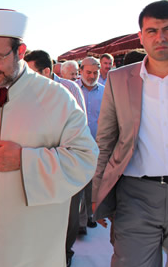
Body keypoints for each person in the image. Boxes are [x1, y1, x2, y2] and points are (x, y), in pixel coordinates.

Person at [0, 9, 98, 267]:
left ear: (20, 51)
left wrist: (23, 160)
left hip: (33, 242)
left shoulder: (57, 98)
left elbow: (85, 158)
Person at [93, 0, 168, 267]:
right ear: (140, 37)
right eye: (152, 30)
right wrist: (98, 194)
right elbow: (106, 141)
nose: (160, 37)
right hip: (136, 197)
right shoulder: (119, 79)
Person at [24, 49, 87, 266]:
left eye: (32, 73)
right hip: (38, 161)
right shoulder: (26, 91)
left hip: (66, 160)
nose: (27, 78)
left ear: (47, 71)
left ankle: (65, 256)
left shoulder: (69, 89)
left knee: (68, 215)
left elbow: (80, 130)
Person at [76, 57, 104, 235]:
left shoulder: (106, 91)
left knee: (93, 184)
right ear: (81, 71)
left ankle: (89, 217)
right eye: (88, 72)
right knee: (78, 184)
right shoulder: (71, 89)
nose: (92, 76)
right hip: (77, 147)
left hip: (97, 146)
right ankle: (80, 222)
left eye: (96, 73)